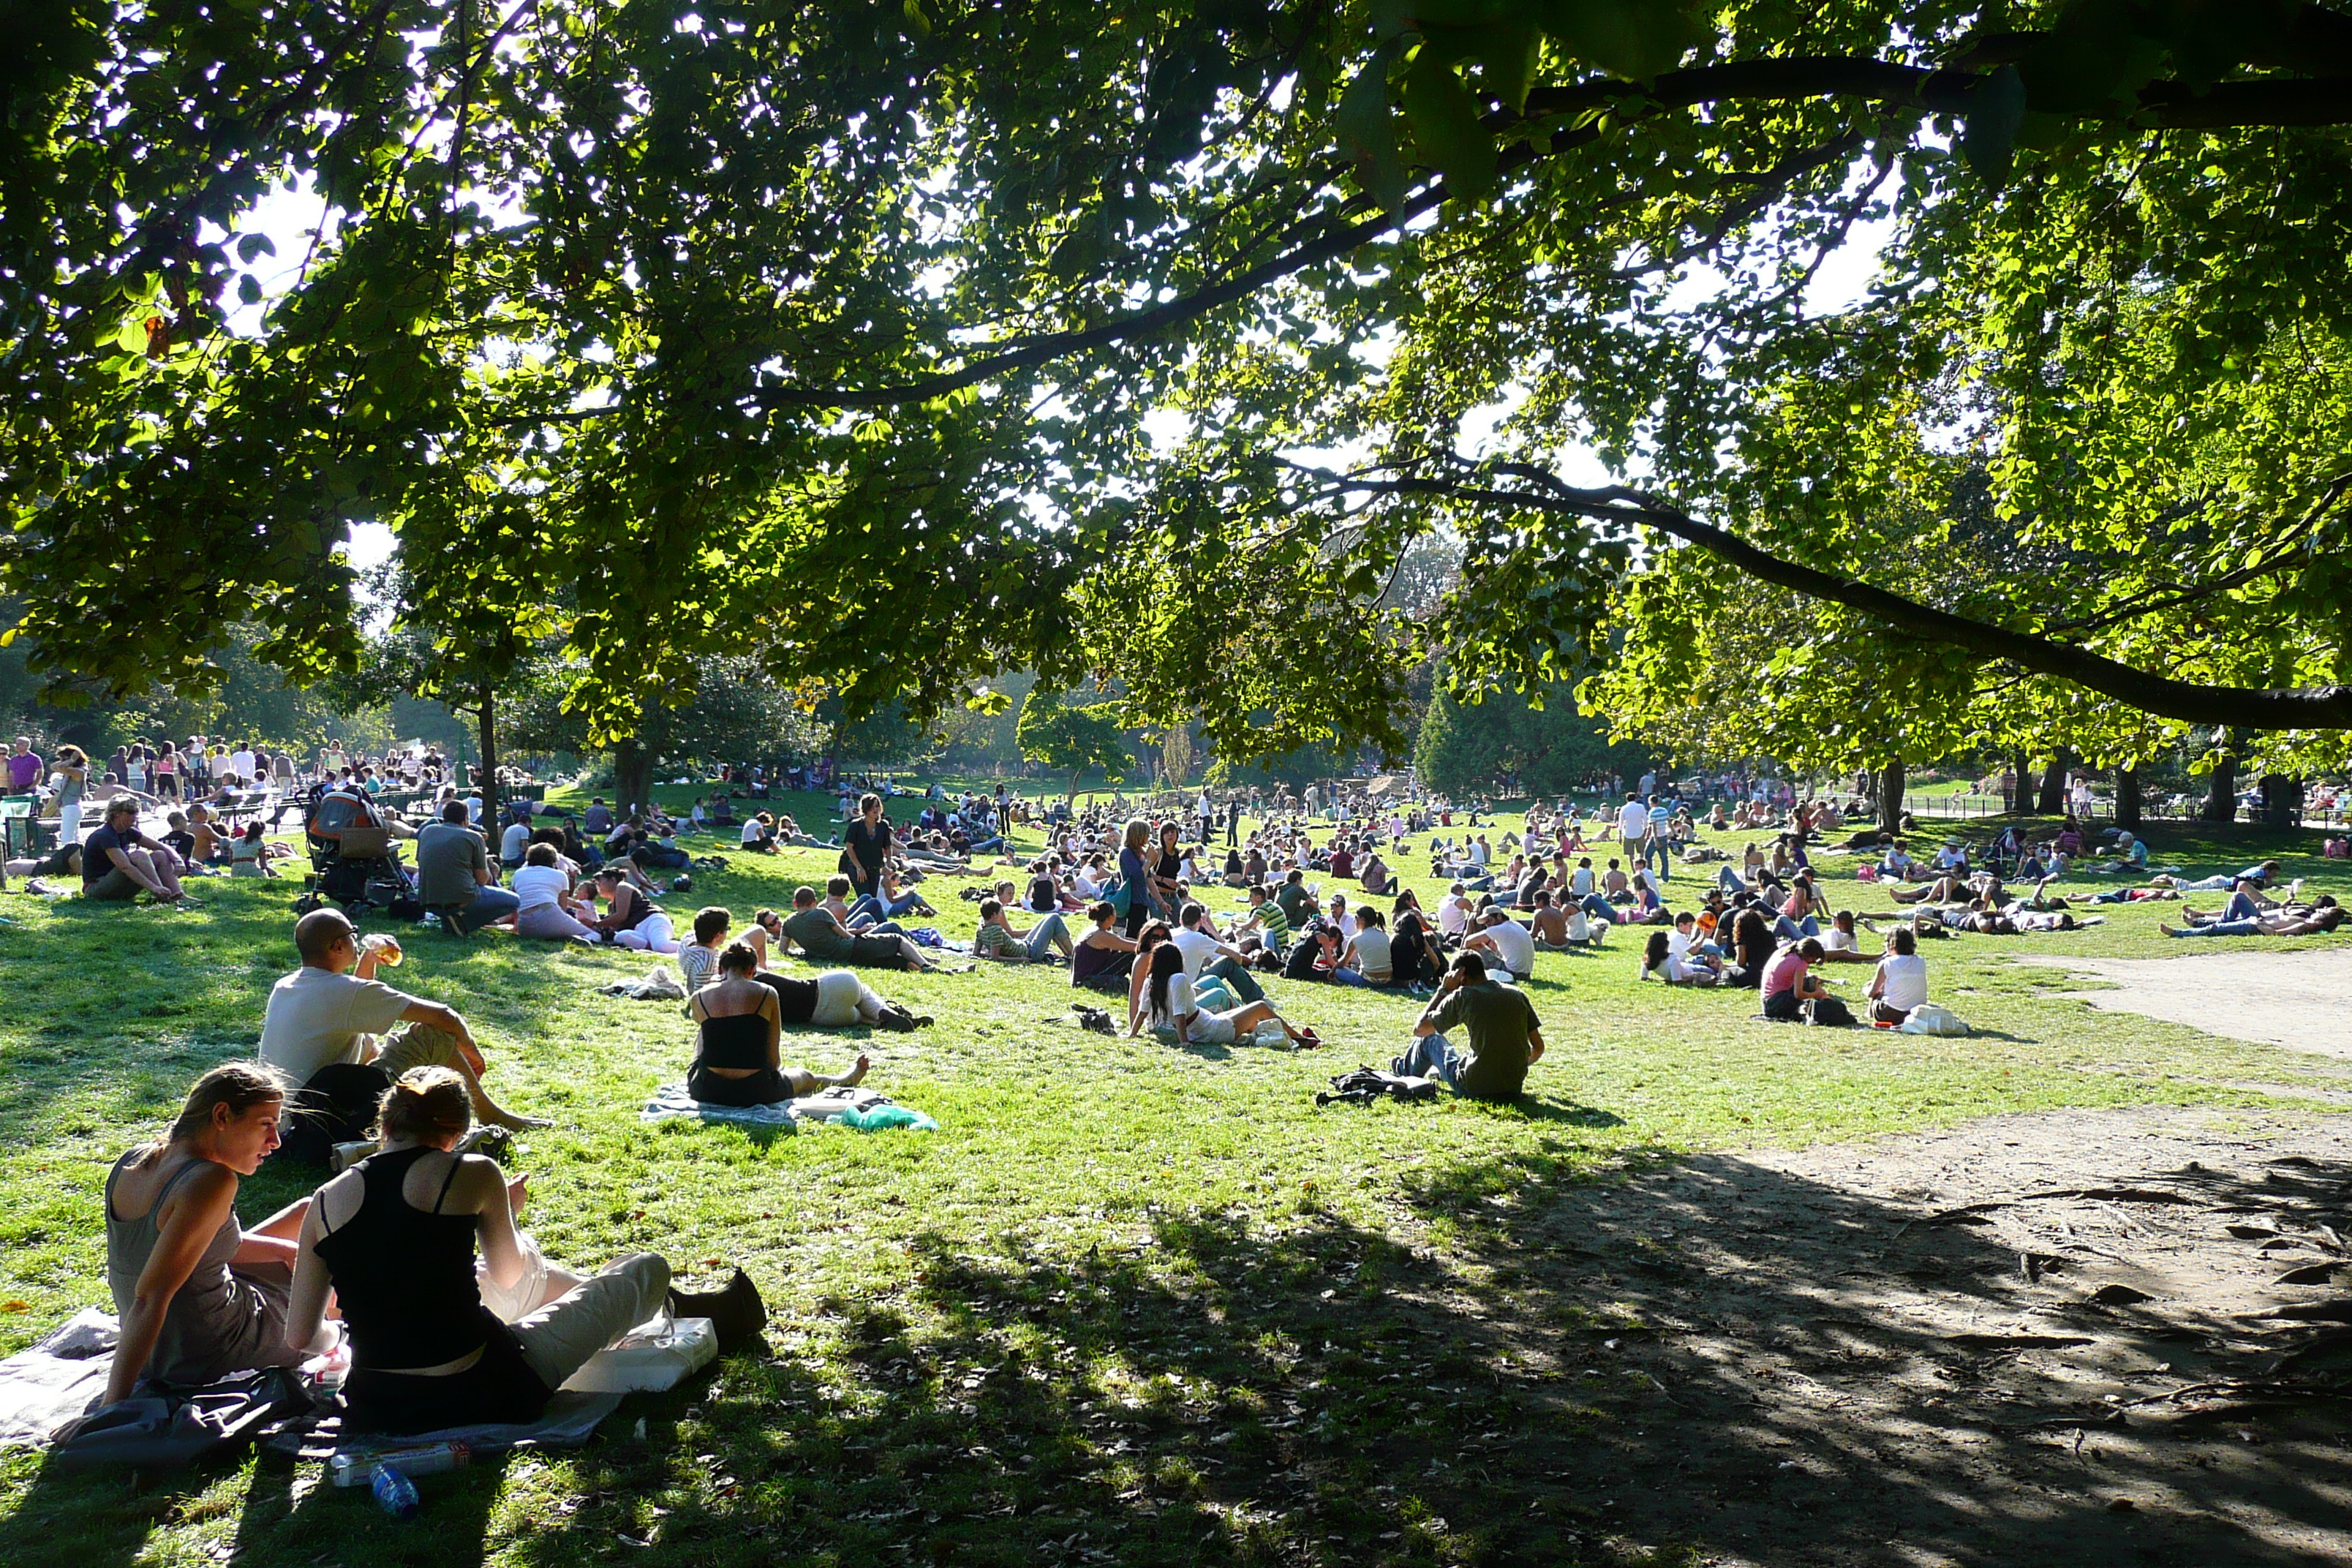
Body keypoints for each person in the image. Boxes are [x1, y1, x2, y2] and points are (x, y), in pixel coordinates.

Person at [286, 1068, 673, 1433]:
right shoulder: (474, 1172)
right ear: (456, 1132)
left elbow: (301, 1337)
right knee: (646, 1269)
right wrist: (509, 1216)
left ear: (385, 1126)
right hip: (484, 1390)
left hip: (379, 1404)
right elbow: (510, 1275)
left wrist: (338, 1338)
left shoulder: (323, 1201)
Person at [99, 1064, 330, 1408]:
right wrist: (111, 1405)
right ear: (222, 1115)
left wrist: (283, 1250)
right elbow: (150, 1297)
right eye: (266, 1124)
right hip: (209, 1349)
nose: (276, 1141)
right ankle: (337, 1328)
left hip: (160, 1349)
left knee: (308, 1211)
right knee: (327, 1277)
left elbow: (183, 1251)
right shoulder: (210, 1180)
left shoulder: (135, 1160)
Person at [260, 908, 546, 1142]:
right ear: (337, 946)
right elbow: (445, 1016)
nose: (357, 941)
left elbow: (355, 1006)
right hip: (332, 1118)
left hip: (287, 1123)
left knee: (371, 1045)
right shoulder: (344, 991)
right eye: (352, 935)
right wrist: (473, 1054)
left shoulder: (286, 985)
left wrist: (369, 959)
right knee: (429, 1035)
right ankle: (490, 1114)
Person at [685, 943, 875, 1105]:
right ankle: (846, 1079)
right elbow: (774, 1061)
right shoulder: (767, 993)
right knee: (804, 1077)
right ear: (752, 970)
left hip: (708, 1090)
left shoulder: (699, 997)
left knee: (706, 1025)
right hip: (757, 1091)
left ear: (720, 970)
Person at [1395, 952, 1545, 1101]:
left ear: (1461, 976)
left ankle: (1403, 1071)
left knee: (1430, 1040)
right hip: (1513, 1088)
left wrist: (1443, 991)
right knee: (1475, 1052)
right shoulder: (1517, 995)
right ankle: (1428, 1069)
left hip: (1474, 1087)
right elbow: (1538, 1048)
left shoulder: (1464, 995)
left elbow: (1420, 1030)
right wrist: (1511, 1068)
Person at [1134, 943, 1315, 1048]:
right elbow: (1179, 1015)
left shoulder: (1152, 979)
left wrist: (1132, 1034)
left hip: (1206, 1022)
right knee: (1260, 1007)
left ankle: (1292, 1036)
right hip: (1208, 1030)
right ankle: (1299, 1038)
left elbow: (1142, 1012)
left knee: (1248, 1014)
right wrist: (1184, 1042)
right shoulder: (1178, 979)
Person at [416, 800, 519, 935]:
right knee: (515, 901)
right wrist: (486, 864)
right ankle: (465, 924)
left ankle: (452, 922)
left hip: (428, 899)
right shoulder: (473, 837)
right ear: (466, 819)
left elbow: (421, 861)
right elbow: (482, 880)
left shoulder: (427, 831)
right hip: (461, 899)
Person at [778, 884, 936, 970]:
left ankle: (917, 965)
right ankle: (926, 965)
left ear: (795, 903)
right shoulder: (820, 913)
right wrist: (865, 935)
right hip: (850, 948)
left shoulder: (789, 923)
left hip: (837, 957)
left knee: (893, 960)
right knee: (896, 938)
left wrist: (805, 953)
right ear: (814, 902)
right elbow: (845, 935)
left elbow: (783, 951)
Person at [81, 795, 196, 905]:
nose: (135, 816)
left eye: (137, 812)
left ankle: (178, 894)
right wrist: (153, 888)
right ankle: (161, 894)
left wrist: (178, 861)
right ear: (116, 814)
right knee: (138, 855)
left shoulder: (128, 831)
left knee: (160, 855)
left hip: (117, 885)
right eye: (131, 812)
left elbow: (161, 847)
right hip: (96, 889)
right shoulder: (105, 834)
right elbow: (125, 866)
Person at [513, 843, 602, 941]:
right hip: (549, 912)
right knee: (594, 935)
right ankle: (584, 939)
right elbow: (562, 907)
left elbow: (514, 902)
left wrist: (516, 925)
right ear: (554, 861)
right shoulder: (560, 875)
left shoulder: (518, 874)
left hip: (525, 924)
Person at [975, 897, 1075, 964]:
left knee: (1048, 920)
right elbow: (995, 957)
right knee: (1054, 918)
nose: (1001, 915)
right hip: (1031, 952)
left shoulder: (981, 928)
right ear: (994, 915)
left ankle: (1069, 955)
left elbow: (976, 953)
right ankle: (1074, 955)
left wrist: (986, 955)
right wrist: (1020, 960)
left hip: (1024, 944)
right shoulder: (996, 930)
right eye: (1000, 913)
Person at [1866, 926, 1929, 1023]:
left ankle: (1869, 1012)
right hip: (1917, 1013)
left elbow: (1872, 992)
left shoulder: (1887, 963)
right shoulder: (1920, 961)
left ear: (1891, 944)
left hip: (1891, 1014)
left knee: (1873, 991)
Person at [842, 794, 894, 908]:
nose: (875, 809)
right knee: (865, 898)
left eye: (877, 806)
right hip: (858, 868)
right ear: (866, 808)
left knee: (872, 899)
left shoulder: (883, 826)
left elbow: (887, 847)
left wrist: (887, 865)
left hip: (875, 868)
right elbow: (849, 847)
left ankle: (869, 922)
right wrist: (859, 868)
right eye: (873, 807)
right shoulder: (856, 825)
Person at [1463, 905, 1536, 983]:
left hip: (1512, 973)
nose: (1488, 925)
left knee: (1474, 944)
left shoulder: (1498, 929)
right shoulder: (1516, 925)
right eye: (1486, 923)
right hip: (1526, 974)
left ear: (1499, 916)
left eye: (1489, 920)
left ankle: (1469, 972)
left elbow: (1467, 942)